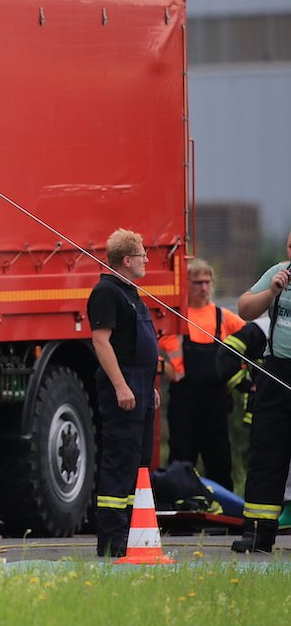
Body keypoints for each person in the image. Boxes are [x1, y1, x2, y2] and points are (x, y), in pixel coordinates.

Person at [87, 229, 160, 558]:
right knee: (119, 462)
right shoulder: (107, 292)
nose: (147, 260)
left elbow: (136, 344)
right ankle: (112, 541)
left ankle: (132, 534)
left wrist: (150, 385)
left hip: (141, 386)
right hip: (125, 387)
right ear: (127, 260)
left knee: (137, 462)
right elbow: (101, 341)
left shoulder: (131, 293)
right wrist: (120, 385)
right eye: (143, 255)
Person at [158, 258, 246, 491]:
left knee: (220, 458)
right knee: (181, 458)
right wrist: (163, 368)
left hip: (217, 400)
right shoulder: (176, 318)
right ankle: (181, 502)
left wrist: (241, 376)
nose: (204, 287)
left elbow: (253, 340)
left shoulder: (223, 317)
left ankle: (223, 506)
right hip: (183, 400)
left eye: (207, 282)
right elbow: (145, 347)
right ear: (186, 284)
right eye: (197, 282)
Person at [233, 230, 291, 552]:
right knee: (266, 453)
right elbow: (244, 309)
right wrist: (271, 291)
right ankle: (257, 532)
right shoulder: (278, 273)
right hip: (276, 373)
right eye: (290, 246)